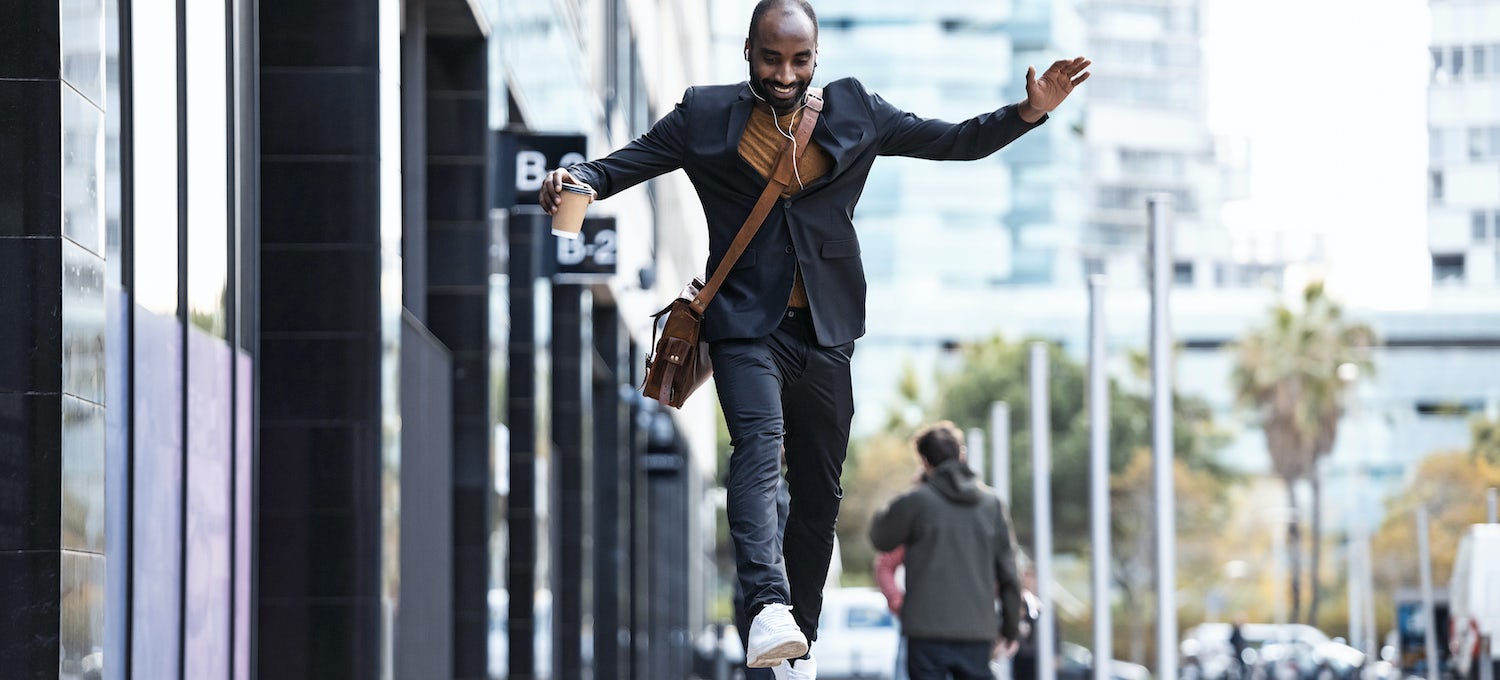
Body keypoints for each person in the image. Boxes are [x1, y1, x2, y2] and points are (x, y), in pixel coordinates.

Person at [541, 1, 1089, 674]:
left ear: (816, 58)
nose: (785, 73)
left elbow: (955, 141)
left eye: (799, 60)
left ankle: (798, 628)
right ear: (748, 51)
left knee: (820, 490)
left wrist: (1029, 111)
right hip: (744, 325)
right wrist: (580, 180)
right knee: (757, 447)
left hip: (827, 332)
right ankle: (766, 606)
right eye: (772, 58)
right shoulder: (704, 116)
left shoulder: (858, 112)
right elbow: (626, 162)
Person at [869, 421, 1025, 680]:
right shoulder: (992, 504)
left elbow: (880, 536)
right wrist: (1010, 629)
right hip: (977, 632)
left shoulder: (918, 502)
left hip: (925, 633)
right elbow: (1009, 574)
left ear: (925, 462)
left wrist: (914, 492)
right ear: (961, 454)